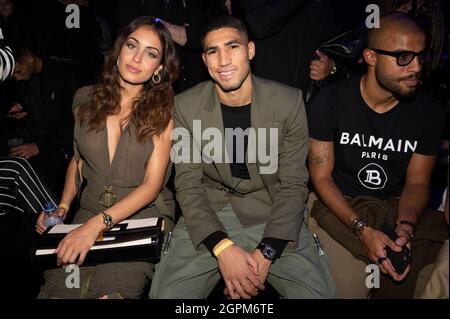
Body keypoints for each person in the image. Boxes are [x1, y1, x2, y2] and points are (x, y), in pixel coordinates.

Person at [150, 15, 336, 299]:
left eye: (232, 47)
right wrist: (223, 249)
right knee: (166, 295)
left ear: (250, 50)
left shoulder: (288, 102)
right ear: (204, 60)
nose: (223, 60)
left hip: (273, 208)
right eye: (213, 51)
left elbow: (294, 184)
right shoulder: (185, 107)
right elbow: (188, 186)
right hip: (210, 210)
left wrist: (267, 252)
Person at [307, 13, 448, 299]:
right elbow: (321, 178)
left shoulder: (429, 112)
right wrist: (362, 230)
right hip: (338, 205)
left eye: (420, 56)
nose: (416, 67)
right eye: (404, 57)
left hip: (394, 207)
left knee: (414, 281)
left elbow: (419, 183)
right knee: (346, 291)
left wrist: (406, 226)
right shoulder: (331, 102)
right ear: (371, 57)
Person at [37, 16, 177, 299]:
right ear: (119, 50)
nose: (137, 58)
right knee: (61, 291)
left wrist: (95, 227)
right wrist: (63, 207)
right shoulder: (86, 100)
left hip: (140, 217)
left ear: (158, 68)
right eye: (132, 45)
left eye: (150, 54)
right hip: (87, 210)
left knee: (108, 293)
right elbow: (78, 161)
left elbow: (152, 185)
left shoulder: (164, 114)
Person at [4, 38, 78, 196]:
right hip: (31, 140)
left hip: (57, 147)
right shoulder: (23, 81)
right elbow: (31, 110)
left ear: (30, 59)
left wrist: (38, 146)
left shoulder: (62, 77)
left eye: (18, 71)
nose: (16, 77)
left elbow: (72, 125)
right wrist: (20, 109)